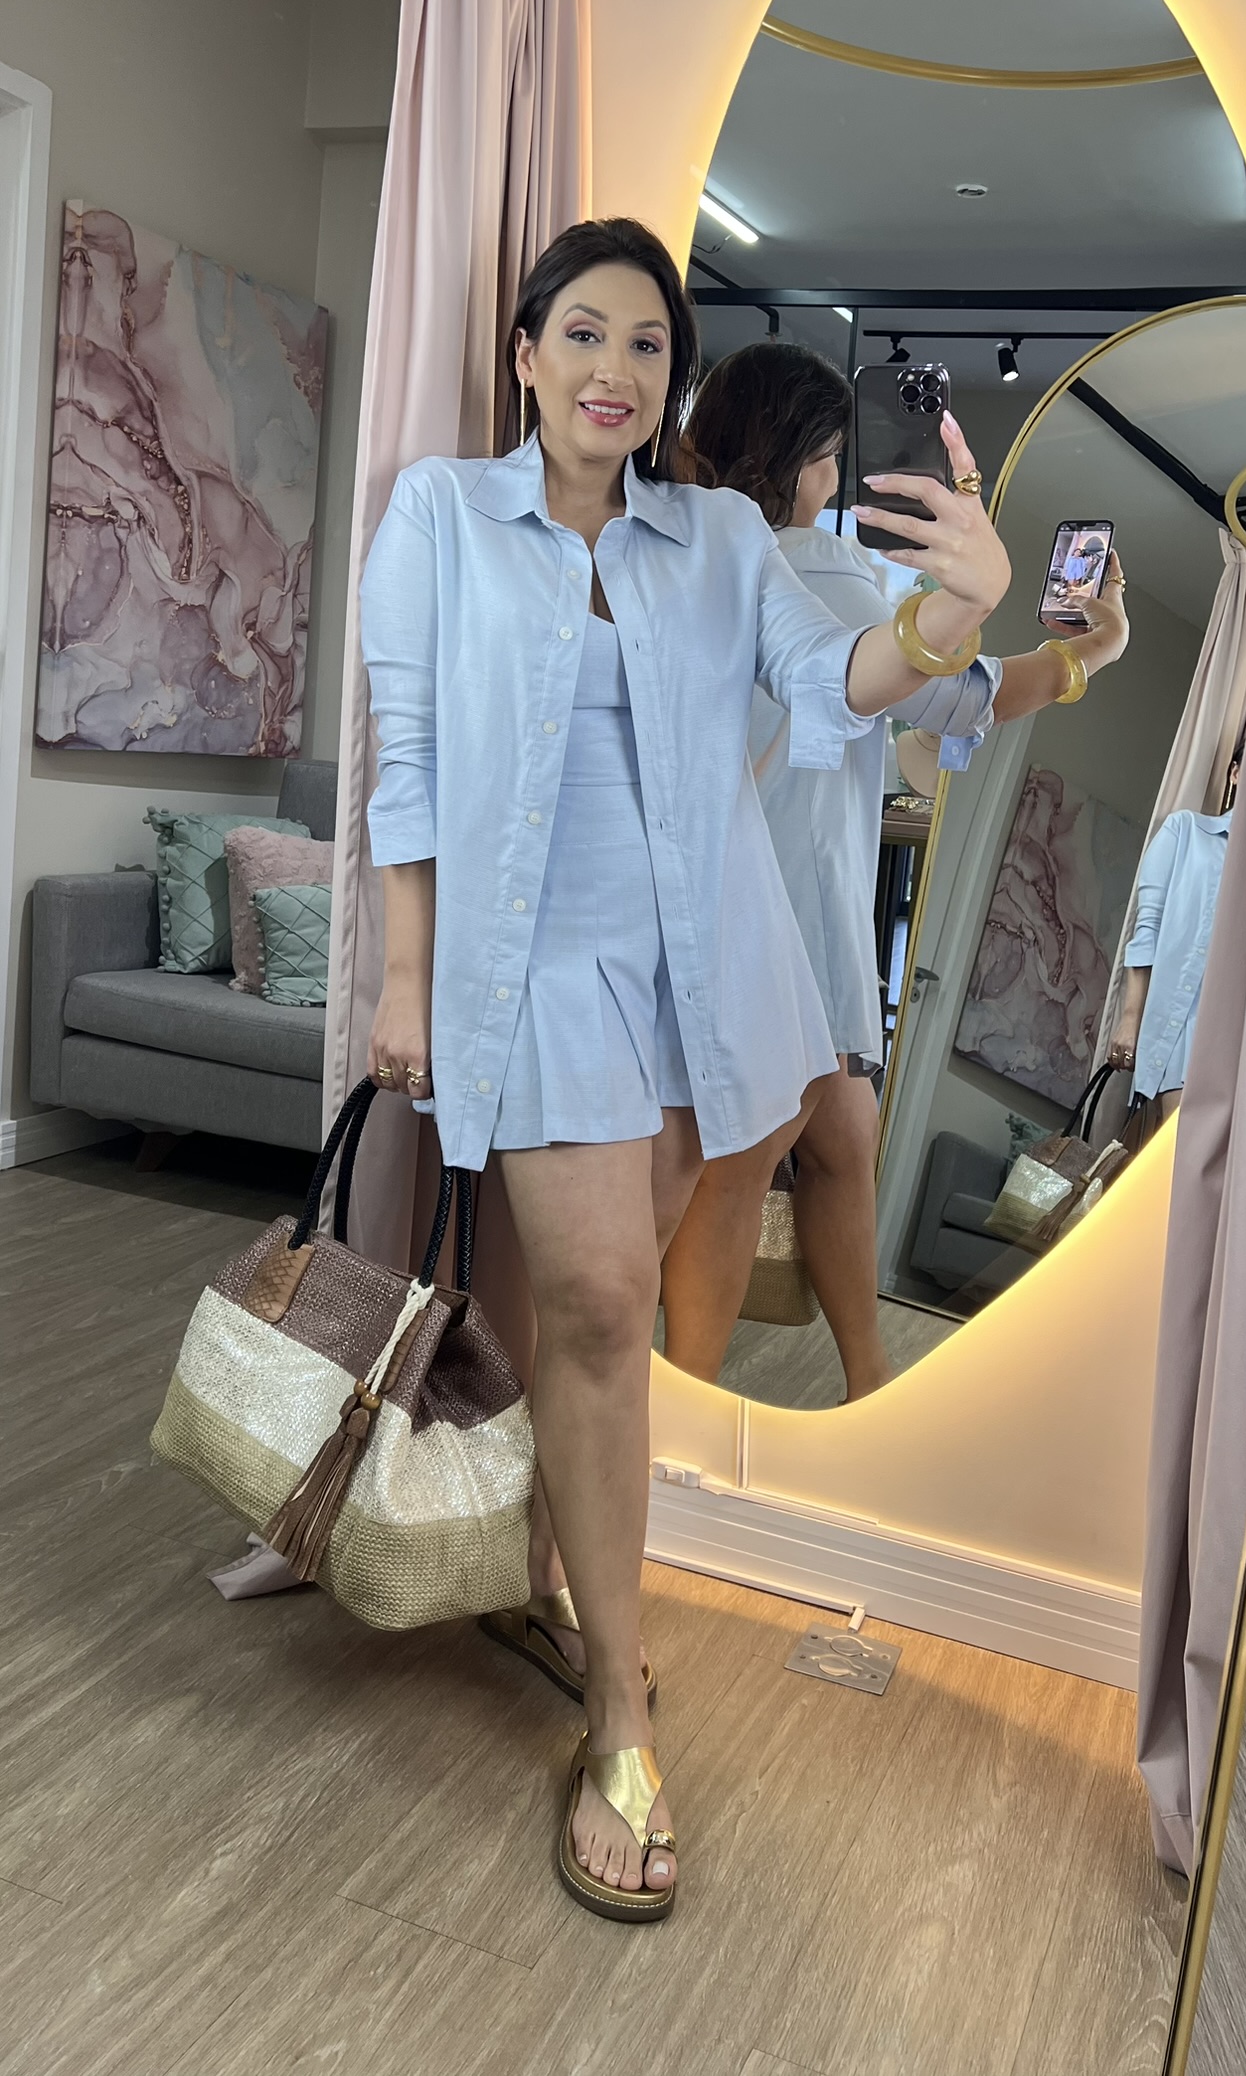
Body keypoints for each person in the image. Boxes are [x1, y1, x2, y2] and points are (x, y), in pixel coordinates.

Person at [359, 221, 1012, 1922]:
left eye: (648, 344)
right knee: (592, 1303)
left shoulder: (717, 537)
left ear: (673, 381)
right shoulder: (441, 516)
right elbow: (406, 759)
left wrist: (955, 612)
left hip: (699, 977)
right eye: (583, 331)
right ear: (524, 353)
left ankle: (541, 1575)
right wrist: (405, 978)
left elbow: (836, 687)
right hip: (529, 971)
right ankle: (621, 1713)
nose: (614, 367)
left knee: (604, 1316)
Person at [659, 341, 1131, 1401]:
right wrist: (1084, 656)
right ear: (809, 459)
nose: (839, 475)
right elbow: (959, 697)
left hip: (754, 890)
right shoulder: (819, 569)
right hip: (788, 900)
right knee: (744, 1163)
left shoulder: (693, 553)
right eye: (835, 454)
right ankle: (682, 1406)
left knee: (840, 1135)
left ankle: (864, 1377)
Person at [1108, 747, 1241, 1117]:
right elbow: (1147, 928)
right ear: (1234, 773)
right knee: (1174, 1148)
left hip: (1233, 1044)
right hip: (1176, 1032)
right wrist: (1131, 1018)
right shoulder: (1184, 831)